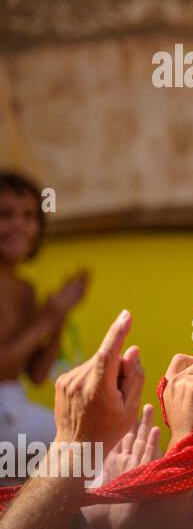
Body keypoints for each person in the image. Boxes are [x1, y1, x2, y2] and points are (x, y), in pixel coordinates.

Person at [0, 171, 89, 450]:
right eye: (5, 215)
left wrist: (59, 316)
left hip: (13, 407)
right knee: (92, 447)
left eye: (29, 217)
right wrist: (47, 318)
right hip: (6, 414)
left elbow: (36, 374)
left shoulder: (25, 288)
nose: (19, 225)